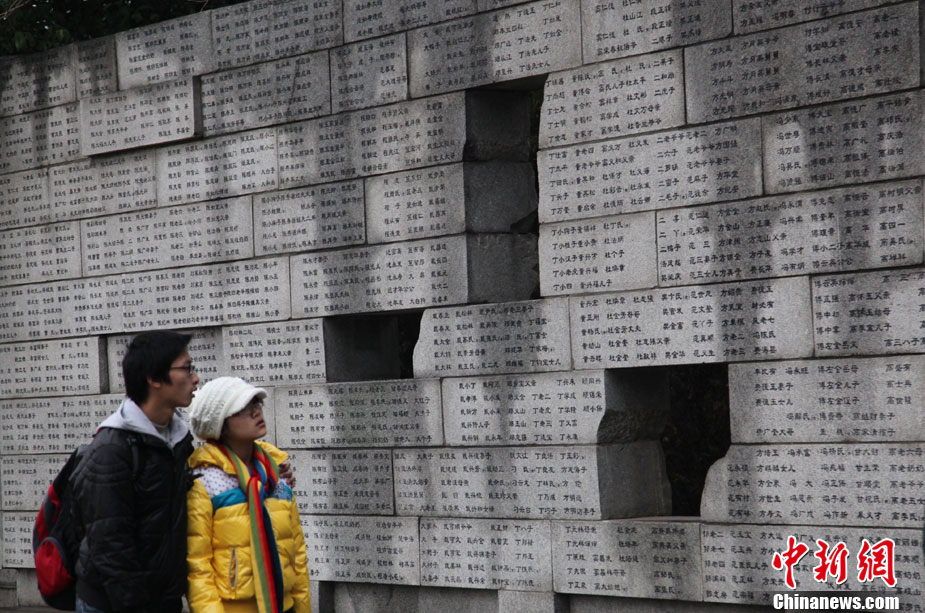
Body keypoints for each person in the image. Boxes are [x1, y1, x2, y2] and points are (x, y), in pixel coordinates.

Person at [69, 330, 199, 613]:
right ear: (154, 378)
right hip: (115, 602)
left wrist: (273, 476)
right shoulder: (112, 449)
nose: (196, 378)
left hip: (161, 598)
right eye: (187, 368)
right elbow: (110, 544)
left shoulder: (177, 439)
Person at [186, 376, 310, 613]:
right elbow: (198, 565)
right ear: (220, 424)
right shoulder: (205, 480)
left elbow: (297, 553)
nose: (256, 412)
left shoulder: (275, 474)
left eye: (256, 403)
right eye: (243, 408)